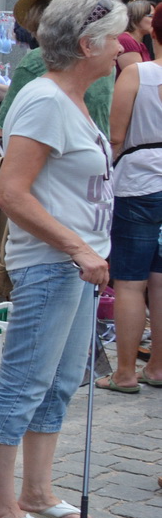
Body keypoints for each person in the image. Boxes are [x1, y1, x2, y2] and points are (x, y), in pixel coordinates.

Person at [0, 0, 120, 518]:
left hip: (78, 267)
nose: (119, 48)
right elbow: (13, 193)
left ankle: (35, 493)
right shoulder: (43, 99)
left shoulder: (73, 97)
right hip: (54, 266)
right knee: (23, 383)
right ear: (87, 44)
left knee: (58, 385)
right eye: (111, 39)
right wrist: (78, 248)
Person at [0, 0, 116, 144]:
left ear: (40, 15)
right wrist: (2, 91)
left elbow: (0, 129)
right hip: (98, 159)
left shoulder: (38, 60)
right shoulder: (102, 57)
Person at [100, 49, 162, 392]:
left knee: (129, 282)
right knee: (160, 280)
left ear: (155, 33)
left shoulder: (138, 74)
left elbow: (116, 136)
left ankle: (125, 373)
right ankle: (157, 367)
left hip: (139, 182)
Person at [117, 0, 153, 73]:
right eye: (151, 16)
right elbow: (139, 76)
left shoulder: (140, 44)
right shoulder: (126, 40)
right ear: (137, 17)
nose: (155, 20)